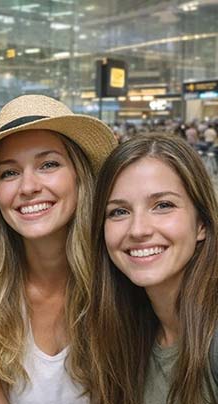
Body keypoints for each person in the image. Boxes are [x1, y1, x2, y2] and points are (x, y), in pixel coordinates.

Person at [0, 94, 117, 403]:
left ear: (80, 176)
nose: (28, 187)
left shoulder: (120, 278)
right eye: (9, 173)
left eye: (48, 164)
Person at [87, 133, 218, 404]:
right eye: (119, 211)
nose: (138, 230)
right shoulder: (127, 331)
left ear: (201, 224)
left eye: (163, 205)